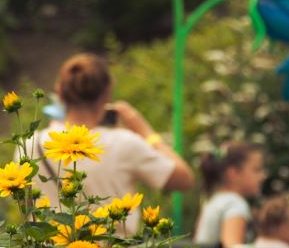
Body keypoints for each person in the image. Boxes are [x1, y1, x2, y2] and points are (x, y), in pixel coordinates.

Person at [27, 53, 195, 234]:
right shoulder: (125, 143)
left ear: (59, 92)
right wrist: (146, 132)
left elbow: (26, 206)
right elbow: (184, 179)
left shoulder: (31, 144)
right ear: (107, 93)